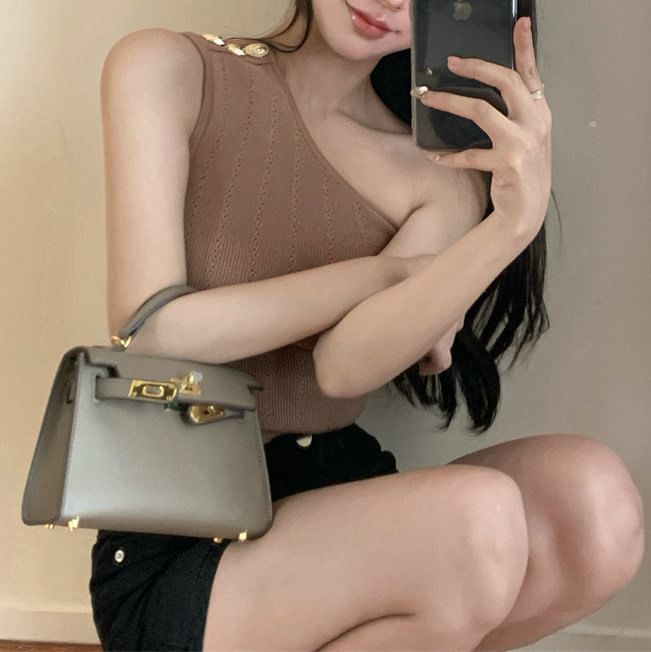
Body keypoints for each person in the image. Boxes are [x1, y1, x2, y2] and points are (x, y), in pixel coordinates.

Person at [89, 1, 644, 650]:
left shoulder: (439, 179)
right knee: (476, 519)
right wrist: (388, 274)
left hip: (341, 498)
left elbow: (343, 367)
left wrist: (511, 225)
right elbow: (149, 333)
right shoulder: (170, 67)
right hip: (180, 529)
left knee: (593, 505)